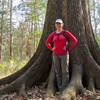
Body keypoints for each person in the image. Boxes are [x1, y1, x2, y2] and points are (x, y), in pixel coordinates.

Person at [45, 19, 78, 91]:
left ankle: (64, 88)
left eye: (59, 23)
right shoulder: (53, 34)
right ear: (55, 25)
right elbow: (47, 42)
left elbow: (74, 40)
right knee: (58, 72)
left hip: (64, 55)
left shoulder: (65, 32)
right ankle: (60, 88)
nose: (58, 25)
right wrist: (51, 48)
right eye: (57, 23)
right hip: (55, 55)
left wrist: (68, 47)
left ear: (62, 24)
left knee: (65, 72)